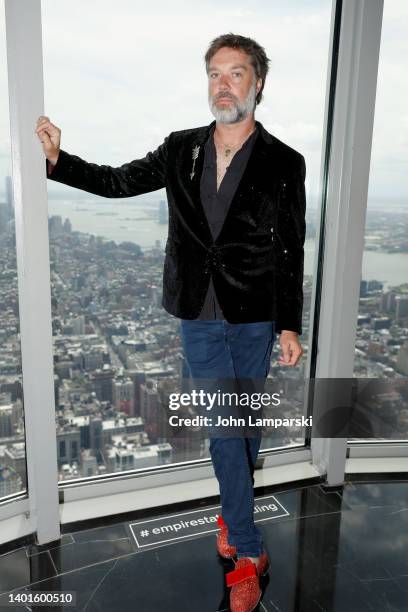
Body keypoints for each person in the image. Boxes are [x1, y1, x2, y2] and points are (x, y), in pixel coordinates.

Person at [35, 33, 306, 612]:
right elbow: (116, 182)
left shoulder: (285, 162)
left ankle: (233, 506)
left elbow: (289, 250)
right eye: (214, 73)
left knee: (243, 423)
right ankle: (246, 554)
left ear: (258, 83)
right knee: (225, 425)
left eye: (235, 74)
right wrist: (59, 159)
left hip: (255, 314)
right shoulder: (180, 148)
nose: (223, 84)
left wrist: (289, 325)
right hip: (197, 312)